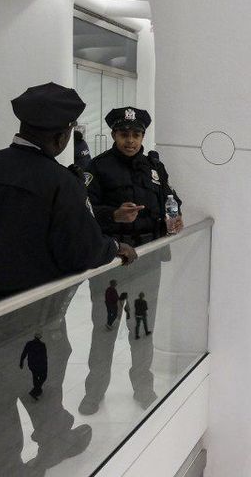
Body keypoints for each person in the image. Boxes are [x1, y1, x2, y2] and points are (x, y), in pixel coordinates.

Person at [0, 82, 137, 476]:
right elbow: (83, 251)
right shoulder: (60, 183)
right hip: (32, 310)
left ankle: (7, 464)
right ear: (62, 134)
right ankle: (50, 444)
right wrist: (114, 245)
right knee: (40, 378)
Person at [79, 106, 183, 415]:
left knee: (142, 328)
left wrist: (174, 213)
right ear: (113, 135)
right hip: (111, 265)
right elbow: (82, 212)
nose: (130, 141)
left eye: (136, 135)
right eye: (124, 134)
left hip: (147, 262)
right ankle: (94, 392)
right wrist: (113, 215)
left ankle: (143, 387)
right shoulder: (96, 169)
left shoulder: (153, 167)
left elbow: (170, 197)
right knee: (105, 330)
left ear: (143, 136)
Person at [20, 333, 48, 400]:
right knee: (43, 377)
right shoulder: (42, 345)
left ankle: (37, 390)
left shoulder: (29, 343)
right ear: (40, 337)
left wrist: (21, 362)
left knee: (35, 376)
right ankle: (35, 391)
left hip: (32, 365)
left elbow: (24, 353)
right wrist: (46, 365)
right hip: (40, 365)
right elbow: (44, 356)